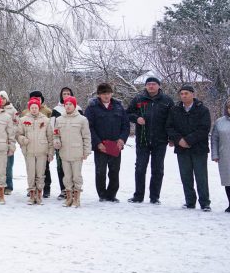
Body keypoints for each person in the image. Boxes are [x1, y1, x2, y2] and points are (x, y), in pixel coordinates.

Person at [126, 76, 173, 204]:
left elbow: (172, 120)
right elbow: (128, 113)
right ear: (146, 86)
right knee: (140, 168)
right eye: (149, 84)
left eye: (153, 84)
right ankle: (138, 196)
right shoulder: (138, 99)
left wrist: (171, 137)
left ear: (159, 86)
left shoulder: (167, 100)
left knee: (157, 169)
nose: (151, 86)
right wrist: (136, 119)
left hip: (160, 140)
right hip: (143, 139)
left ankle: (154, 197)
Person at [166, 85, 212, 211]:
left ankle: (205, 203)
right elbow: (169, 127)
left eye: (186, 93)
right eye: (181, 94)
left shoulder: (202, 110)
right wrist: (179, 140)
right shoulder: (175, 110)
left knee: (201, 176)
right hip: (181, 148)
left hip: (199, 148)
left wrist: (188, 140)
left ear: (193, 94)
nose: (184, 96)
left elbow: (204, 128)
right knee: (185, 176)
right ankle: (190, 201)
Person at [84, 83, 129, 203]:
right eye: (104, 93)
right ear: (99, 94)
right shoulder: (92, 108)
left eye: (108, 93)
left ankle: (112, 194)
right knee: (100, 171)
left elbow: (126, 125)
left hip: (115, 145)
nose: (106, 96)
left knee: (114, 171)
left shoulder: (118, 107)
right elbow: (89, 127)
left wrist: (122, 139)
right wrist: (97, 143)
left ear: (112, 94)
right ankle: (102, 194)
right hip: (101, 146)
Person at [54, 96, 91, 207]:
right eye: (66, 104)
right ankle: (69, 198)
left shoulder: (82, 120)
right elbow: (56, 134)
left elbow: (86, 136)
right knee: (67, 177)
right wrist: (56, 141)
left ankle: (77, 199)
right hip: (64, 153)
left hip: (77, 153)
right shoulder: (59, 119)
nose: (68, 106)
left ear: (74, 106)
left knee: (76, 177)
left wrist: (86, 151)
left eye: (71, 104)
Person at [17, 97, 53, 205]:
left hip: (42, 151)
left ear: (39, 108)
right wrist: (23, 140)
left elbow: (50, 137)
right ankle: (32, 195)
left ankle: (39, 194)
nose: (34, 109)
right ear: (29, 108)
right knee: (31, 173)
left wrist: (51, 152)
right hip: (29, 152)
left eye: (36, 107)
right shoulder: (23, 120)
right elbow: (18, 134)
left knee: (40, 174)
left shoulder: (46, 120)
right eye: (32, 107)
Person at [50, 87, 76, 200]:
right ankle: (63, 190)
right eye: (64, 93)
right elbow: (52, 126)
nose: (66, 95)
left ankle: (74, 189)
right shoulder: (56, 110)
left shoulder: (77, 109)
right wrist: (55, 140)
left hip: (74, 144)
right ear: (61, 95)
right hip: (60, 143)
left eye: (68, 93)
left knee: (73, 167)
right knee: (61, 167)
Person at [27, 91, 54, 198]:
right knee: (31, 171)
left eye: (39, 98)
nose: (37, 100)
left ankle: (44, 189)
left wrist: (50, 150)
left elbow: (50, 132)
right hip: (30, 147)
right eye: (34, 98)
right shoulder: (25, 113)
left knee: (43, 170)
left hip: (42, 147)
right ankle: (32, 190)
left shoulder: (47, 113)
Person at [210, 98, 230, 212]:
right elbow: (214, 139)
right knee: (228, 180)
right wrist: (215, 154)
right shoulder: (219, 122)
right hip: (225, 155)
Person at [0, 91, 20, 195]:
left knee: (8, 165)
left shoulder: (12, 110)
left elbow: (17, 124)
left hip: (8, 140)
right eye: (0, 98)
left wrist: (9, 132)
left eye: (3, 98)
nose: (2, 100)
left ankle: (8, 186)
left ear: (7, 99)